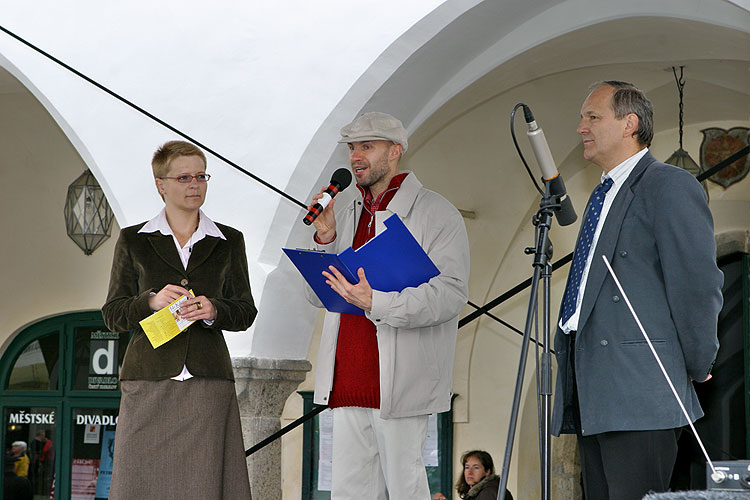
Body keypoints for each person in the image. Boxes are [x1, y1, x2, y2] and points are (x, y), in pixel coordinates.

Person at [551, 81, 723, 500]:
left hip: (641, 390)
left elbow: (697, 284)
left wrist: (699, 362)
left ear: (630, 123)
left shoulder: (668, 184)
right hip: (592, 387)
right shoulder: (602, 193)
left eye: (593, 117)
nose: (581, 128)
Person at [304, 112, 470, 500]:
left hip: (400, 385)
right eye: (352, 148)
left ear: (395, 151)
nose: (356, 157)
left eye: (367, 146)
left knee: (406, 491)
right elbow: (317, 296)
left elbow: (450, 294)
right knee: (348, 494)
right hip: (346, 381)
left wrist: (376, 301)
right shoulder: (345, 213)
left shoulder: (435, 212)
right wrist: (325, 238)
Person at [102, 140, 257, 500]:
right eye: (185, 177)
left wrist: (215, 310)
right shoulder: (133, 240)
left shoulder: (228, 241)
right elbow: (113, 314)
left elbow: (245, 311)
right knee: (140, 480)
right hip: (149, 377)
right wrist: (151, 301)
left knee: (204, 483)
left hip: (208, 379)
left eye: (201, 176)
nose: (195, 185)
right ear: (161, 184)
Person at [432, 450, 513, 500]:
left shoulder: (489, 492)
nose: (470, 472)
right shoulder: (478, 491)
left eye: (476, 467)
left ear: (487, 471)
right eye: (467, 467)